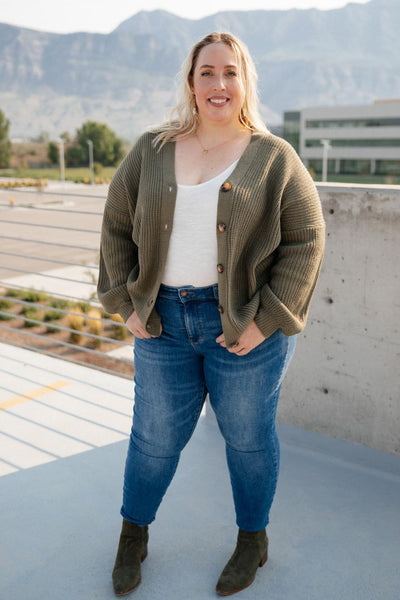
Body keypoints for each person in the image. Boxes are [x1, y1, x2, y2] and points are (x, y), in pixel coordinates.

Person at [97, 31, 325, 597]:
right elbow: (116, 226)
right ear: (191, 82)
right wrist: (123, 303)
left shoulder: (275, 157)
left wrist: (265, 320)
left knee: (247, 438)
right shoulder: (152, 148)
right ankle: (133, 535)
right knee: (153, 437)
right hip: (161, 323)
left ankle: (253, 539)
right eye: (206, 73)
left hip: (244, 324)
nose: (218, 83)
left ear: (244, 81)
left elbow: (306, 239)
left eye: (230, 72)